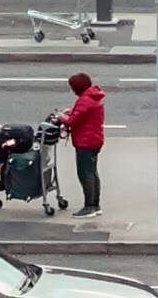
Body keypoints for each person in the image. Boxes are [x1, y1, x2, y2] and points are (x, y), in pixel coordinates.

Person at [55, 72, 105, 218]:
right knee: (92, 173)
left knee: (85, 174)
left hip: (86, 142)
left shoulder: (85, 100)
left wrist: (61, 117)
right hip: (94, 140)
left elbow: (73, 122)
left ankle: (90, 206)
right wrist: (70, 112)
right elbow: (82, 115)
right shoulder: (92, 96)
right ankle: (95, 204)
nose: (72, 90)